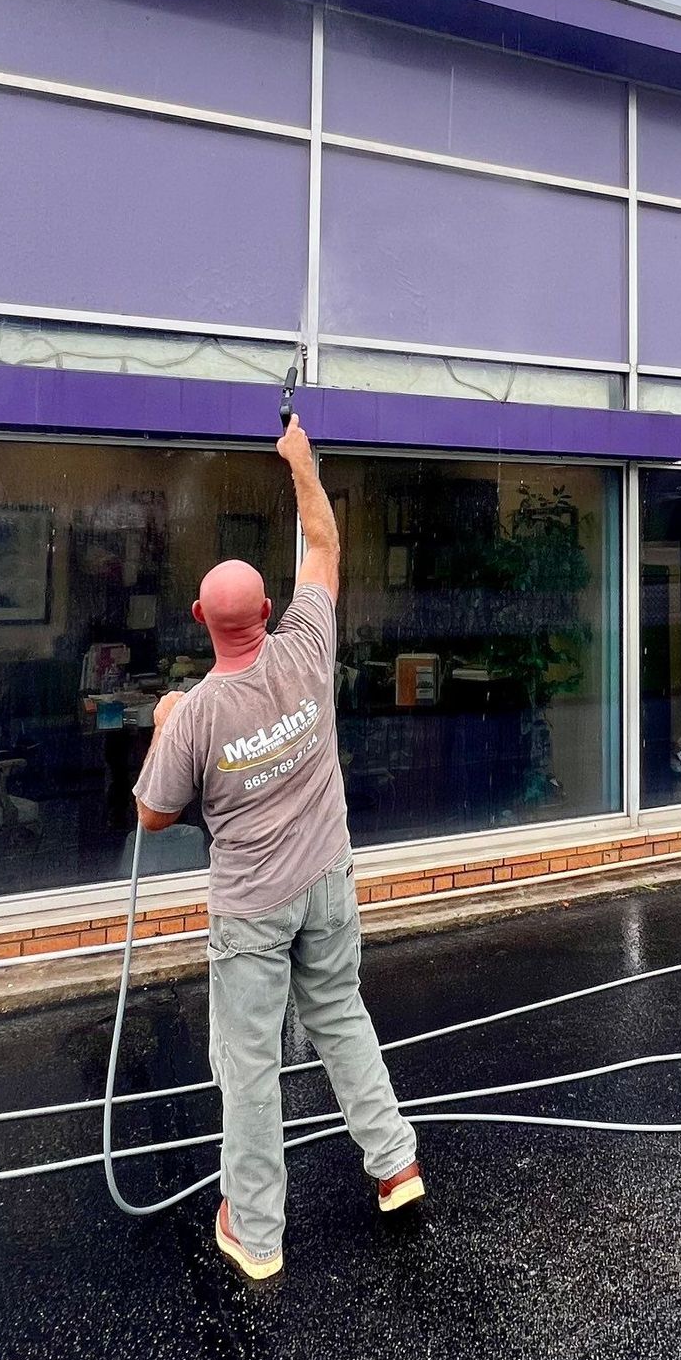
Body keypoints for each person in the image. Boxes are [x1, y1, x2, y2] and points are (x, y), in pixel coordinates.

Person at [134, 417, 421, 1281]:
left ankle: (256, 1232)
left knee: (250, 1065)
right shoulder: (306, 645)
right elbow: (326, 544)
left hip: (255, 912)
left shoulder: (196, 716)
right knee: (342, 1015)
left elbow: (152, 813)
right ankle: (396, 1165)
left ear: (198, 619)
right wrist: (300, 463)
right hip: (328, 881)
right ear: (266, 612)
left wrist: (160, 722)